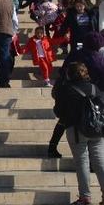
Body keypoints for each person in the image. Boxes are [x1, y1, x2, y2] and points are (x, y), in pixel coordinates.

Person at [53, 61, 104, 205]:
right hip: (97, 129)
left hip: (76, 130)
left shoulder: (65, 90)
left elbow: (58, 112)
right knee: (100, 161)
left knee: (82, 162)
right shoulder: (95, 88)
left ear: (69, 74)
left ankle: (85, 197)